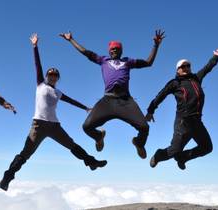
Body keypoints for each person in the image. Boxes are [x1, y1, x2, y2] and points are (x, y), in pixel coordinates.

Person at [0, 33, 107, 191]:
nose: (53, 77)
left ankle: (91, 162)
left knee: (72, 145)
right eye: (50, 74)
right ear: (46, 76)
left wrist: (85, 107)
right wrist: (35, 46)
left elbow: (70, 100)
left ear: (58, 78)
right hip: (39, 125)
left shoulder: (58, 93)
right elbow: (38, 65)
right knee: (25, 154)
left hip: (55, 126)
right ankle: (7, 177)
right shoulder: (40, 85)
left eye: (55, 75)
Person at [59, 30, 165, 159]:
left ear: (121, 51)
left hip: (126, 101)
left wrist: (156, 45)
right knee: (86, 127)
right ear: (109, 51)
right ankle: (99, 137)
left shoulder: (128, 62)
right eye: (112, 49)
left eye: (117, 49)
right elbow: (85, 52)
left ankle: (138, 143)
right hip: (107, 101)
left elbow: (148, 63)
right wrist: (71, 40)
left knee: (144, 127)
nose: (114, 50)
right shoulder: (103, 60)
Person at [146, 49, 218, 170]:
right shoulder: (175, 83)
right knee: (174, 150)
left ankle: (183, 157)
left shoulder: (196, 78)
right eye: (183, 66)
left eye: (188, 65)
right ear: (178, 70)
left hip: (197, 121)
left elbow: (208, 67)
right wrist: (150, 111)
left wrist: (216, 56)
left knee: (207, 147)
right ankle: (159, 155)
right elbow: (160, 96)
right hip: (183, 122)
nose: (186, 68)